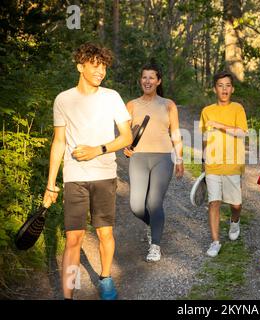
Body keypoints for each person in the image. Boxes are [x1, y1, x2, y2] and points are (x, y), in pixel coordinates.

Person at [43, 42, 133, 299]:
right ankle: (68, 295)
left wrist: (98, 149)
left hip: (104, 175)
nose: (100, 71)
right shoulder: (63, 99)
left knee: (105, 233)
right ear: (80, 66)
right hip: (75, 178)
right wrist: (51, 183)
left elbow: (126, 137)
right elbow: (58, 141)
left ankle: (105, 279)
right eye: (95, 65)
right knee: (74, 240)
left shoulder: (112, 97)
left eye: (103, 66)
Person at [124, 63, 184, 263]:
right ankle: (153, 225)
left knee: (154, 202)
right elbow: (126, 134)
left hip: (163, 157)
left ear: (158, 81)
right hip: (139, 158)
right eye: (144, 77)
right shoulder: (131, 105)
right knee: (136, 206)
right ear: (140, 80)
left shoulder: (168, 104)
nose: (147, 81)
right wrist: (125, 146)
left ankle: (155, 245)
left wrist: (180, 158)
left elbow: (175, 133)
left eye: (152, 78)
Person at [199, 71, 248, 257]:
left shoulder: (237, 108)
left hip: (232, 164)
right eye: (220, 85)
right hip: (212, 164)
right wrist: (203, 162)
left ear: (232, 89)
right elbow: (204, 138)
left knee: (235, 204)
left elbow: (242, 132)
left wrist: (219, 125)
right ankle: (215, 241)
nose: (224, 89)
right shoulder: (206, 111)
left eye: (228, 85)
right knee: (214, 202)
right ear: (215, 89)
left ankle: (235, 221)